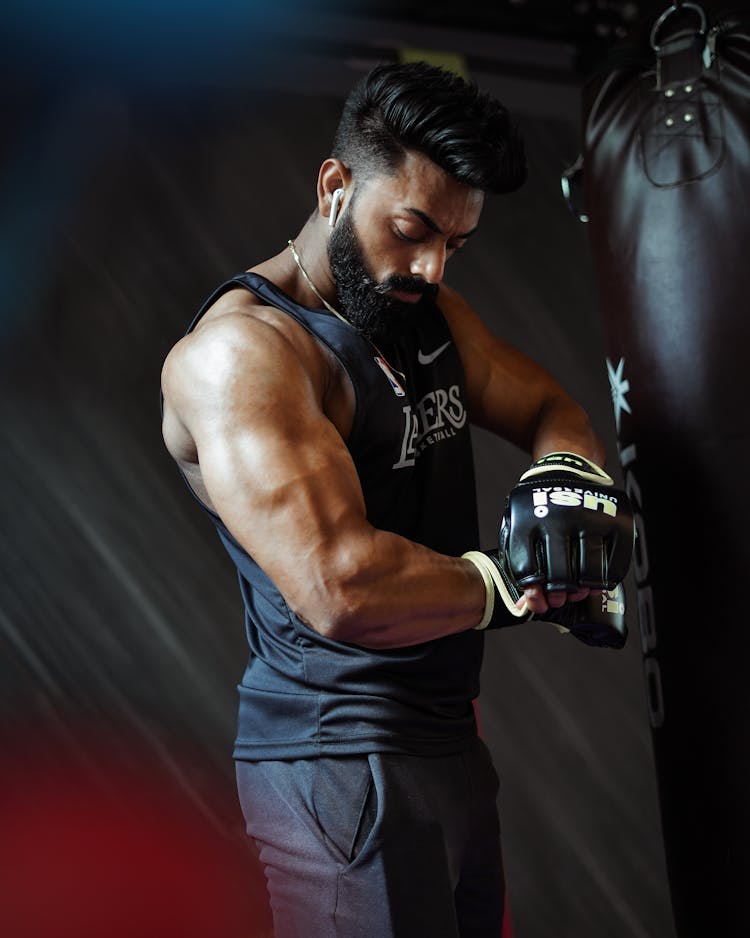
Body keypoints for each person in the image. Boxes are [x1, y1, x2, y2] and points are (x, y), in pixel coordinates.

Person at [160, 62, 632, 938]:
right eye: (412, 229)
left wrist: (568, 486)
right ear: (336, 186)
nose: (429, 264)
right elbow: (339, 587)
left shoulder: (425, 316)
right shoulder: (245, 358)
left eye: (455, 243)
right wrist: (511, 582)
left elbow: (550, 409)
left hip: (447, 739)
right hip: (338, 760)